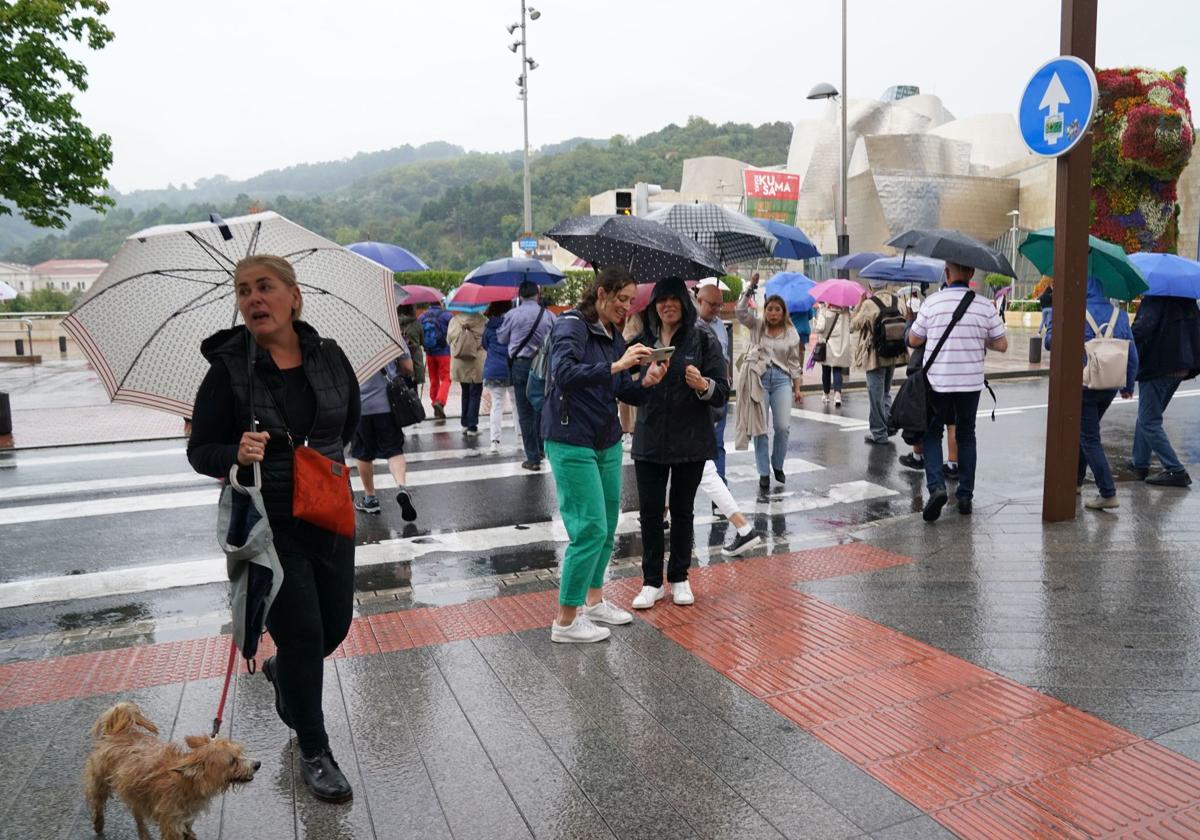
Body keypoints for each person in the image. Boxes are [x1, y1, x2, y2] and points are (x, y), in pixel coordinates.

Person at [187, 255, 359, 803]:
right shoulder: (228, 370)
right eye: (243, 291)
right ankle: (314, 748)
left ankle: (286, 670)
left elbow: (346, 423)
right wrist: (235, 452)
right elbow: (200, 450)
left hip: (329, 513)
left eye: (264, 287)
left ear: (293, 295)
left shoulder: (331, 357)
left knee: (332, 629)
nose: (253, 299)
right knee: (305, 633)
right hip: (269, 523)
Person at [542, 267, 665, 642]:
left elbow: (619, 389)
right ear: (600, 295)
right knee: (589, 528)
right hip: (570, 437)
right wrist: (619, 364)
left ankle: (594, 601)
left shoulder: (612, 334)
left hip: (606, 437)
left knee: (608, 525)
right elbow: (563, 372)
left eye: (631, 301)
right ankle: (565, 620)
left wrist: (645, 382)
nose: (626, 308)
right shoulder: (572, 326)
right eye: (621, 300)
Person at [631, 277, 730, 610]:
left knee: (683, 510)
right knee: (650, 512)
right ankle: (651, 582)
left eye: (674, 299)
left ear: (685, 305)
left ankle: (679, 577)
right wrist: (638, 375)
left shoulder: (702, 339)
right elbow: (622, 381)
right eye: (661, 300)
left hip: (690, 438)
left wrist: (703, 384)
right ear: (653, 306)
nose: (667, 305)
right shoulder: (642, 341)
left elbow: (722, 390)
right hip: (649, 436)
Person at [909, 261, 1008, 521]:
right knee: (966, 435)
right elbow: (1002, 344)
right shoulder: (985, 306)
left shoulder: (932, 302)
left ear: (947, 273)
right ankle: (965, 496)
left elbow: (914, 339)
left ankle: (937, 488)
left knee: (932, 433)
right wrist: (978, 337)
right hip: (970, 384)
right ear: (972, 272)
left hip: (937, 382)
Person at [1044, 277, 1139, 508]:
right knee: (1086, 433)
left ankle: (1108, 492)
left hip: (1084, 384)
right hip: (1109, 384)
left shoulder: (1075, 311)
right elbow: (1132, 354)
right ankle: (1076, 482)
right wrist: (1128, 386)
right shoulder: (1120, 315)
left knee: (1089, 437)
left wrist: (1050, 320)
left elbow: (1050, 343)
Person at [736, 278, 803, 491]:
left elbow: (794, 363)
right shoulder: (757, 326)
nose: (773, 313)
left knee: (783, 427)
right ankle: (763, 472)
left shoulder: (791, 333)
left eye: (777, 310)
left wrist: (798, 387)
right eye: (770, 309)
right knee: (760, 428)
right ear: (765, 311)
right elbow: (739, 312)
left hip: (782, 380)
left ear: (783, 312)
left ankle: (778, 464)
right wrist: (750, 289)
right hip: (759, 379)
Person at [1130, 293, 1200, 487]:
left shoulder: (1155, 299)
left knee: (1148, 421)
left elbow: (1143, 328)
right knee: (1149, 415)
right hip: (1181, 366)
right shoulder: (1187, 301)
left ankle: (1175, 470)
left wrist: (1125, 334)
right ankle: (1139, 462)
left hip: (1158, 366)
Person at [351, 350, 418, 521]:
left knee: (363, 453)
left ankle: (370, 498)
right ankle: (402, 487)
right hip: (387, 404)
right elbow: (408, 367)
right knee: (394, 450)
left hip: (360, 406)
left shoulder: (345, 340)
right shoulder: (387, 332)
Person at [499, 280, 556, 470]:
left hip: (521, 365)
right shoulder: (549, 316)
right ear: (537, 295)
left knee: (524, 412)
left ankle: (532, 458)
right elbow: (555, 338)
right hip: (543, 365)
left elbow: (502, 338)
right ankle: (541, 448)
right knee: (540, 405)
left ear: (520, 296)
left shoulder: (512, 315)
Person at [852, 286, 909, 445]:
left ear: (871, 286)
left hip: (875, 355)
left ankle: (879, 432)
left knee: (875, 395)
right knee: (885, 392)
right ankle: (888, 427)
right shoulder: (898, 301)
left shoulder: (869, 304)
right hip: (893, 352)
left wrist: (859, 304)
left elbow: (853, 325)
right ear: (886, 286)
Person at [694, 278, 731, 482]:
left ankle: (721, 489)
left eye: (719, 304)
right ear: (699, 300)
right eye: (712, 304)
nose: (717, 309)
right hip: (700, 394)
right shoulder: (691, 328)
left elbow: (724, 356)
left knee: (718, 444)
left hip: (720, 392)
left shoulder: (720, 326)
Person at [448, 309, 486, 437]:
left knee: (465, 392)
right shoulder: (482, 320)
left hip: (460, 361)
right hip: (476, 361)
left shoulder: (454, 320)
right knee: (475, 393)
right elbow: (486, 341)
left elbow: (448, 340)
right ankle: (472, 426)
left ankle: (465, 423)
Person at [482, 300, 513, 452]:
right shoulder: (512, 323)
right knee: (517, 404)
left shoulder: (489, 326)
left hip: (493, 369)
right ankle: (521, 437)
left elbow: (485, 345)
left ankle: (495, 441)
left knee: (497, 405)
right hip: (512, 367)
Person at [814, 301, 853, 407]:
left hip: (827, 346)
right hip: (840, 346)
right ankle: (837, 395)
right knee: (837, 370)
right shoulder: (845, 312)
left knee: (825, 371)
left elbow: (819, 328)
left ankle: (826, 394)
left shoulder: (824, 311)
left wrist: (815, 322)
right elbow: (852, 327)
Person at [420, 301, 452, 419]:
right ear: (441, 304)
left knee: (433, 379)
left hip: (430, 353)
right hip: (443, 352)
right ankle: (440, 402)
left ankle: (435, 404)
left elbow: (419, 331)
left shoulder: (423, 316)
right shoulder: (447, 315)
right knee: (446, 379)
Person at [396, 304, 426, 390]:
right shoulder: (417, 323)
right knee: (413, 390)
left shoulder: (393, 323)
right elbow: (422, 342)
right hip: (414, 360)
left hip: (399, 359)